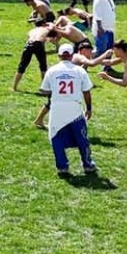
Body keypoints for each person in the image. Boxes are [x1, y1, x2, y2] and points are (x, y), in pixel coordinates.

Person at [38, 44, 95, 176]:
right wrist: (89, 108)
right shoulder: (79, 71)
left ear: (59, 55)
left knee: (55, 137)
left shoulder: (52, 71)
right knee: (82, 138)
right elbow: (86, 91)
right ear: (71, 55)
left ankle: (62, 167)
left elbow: (44, 90)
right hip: (74, 108)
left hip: (57, 108)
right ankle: (87, 164)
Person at [12, 23, 53, 91]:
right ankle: (45, 88)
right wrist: (49, 24)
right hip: (38, 43)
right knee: (43, 66)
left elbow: (29, 38)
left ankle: (14, 87)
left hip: (29, 44)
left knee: (22, 66)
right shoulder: (45, 28)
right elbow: (52, 27)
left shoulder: (31, 30)